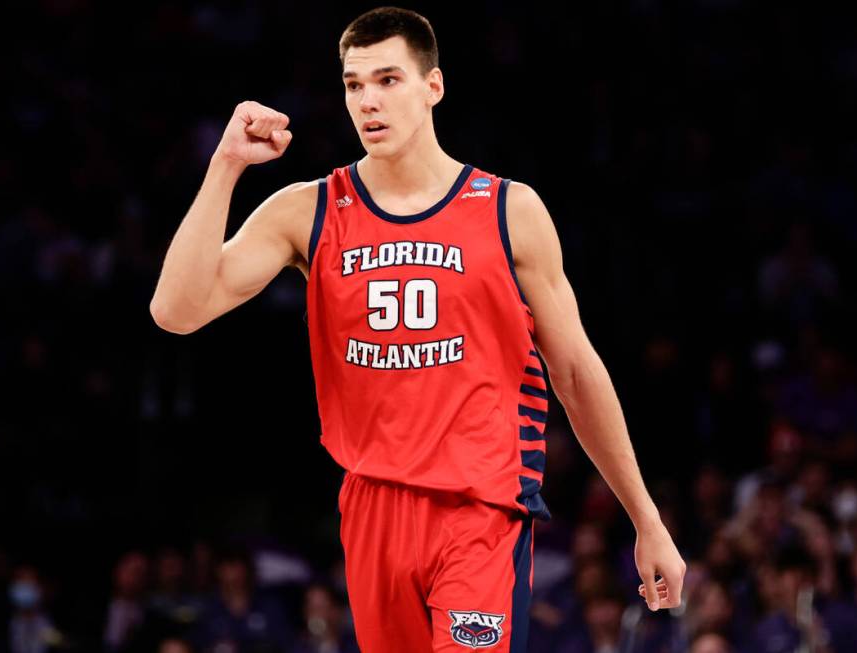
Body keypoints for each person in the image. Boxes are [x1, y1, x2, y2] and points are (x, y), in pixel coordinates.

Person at [149, 6, 686, 652]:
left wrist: (645, 518)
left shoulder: (509, 210)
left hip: (480, 510)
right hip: (372, 507)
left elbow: (574, 371)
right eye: (354, 85)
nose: (368, 101)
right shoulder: (310, 209)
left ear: (433, 86)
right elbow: (175, 311)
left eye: (388, 80)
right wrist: (226, 165)